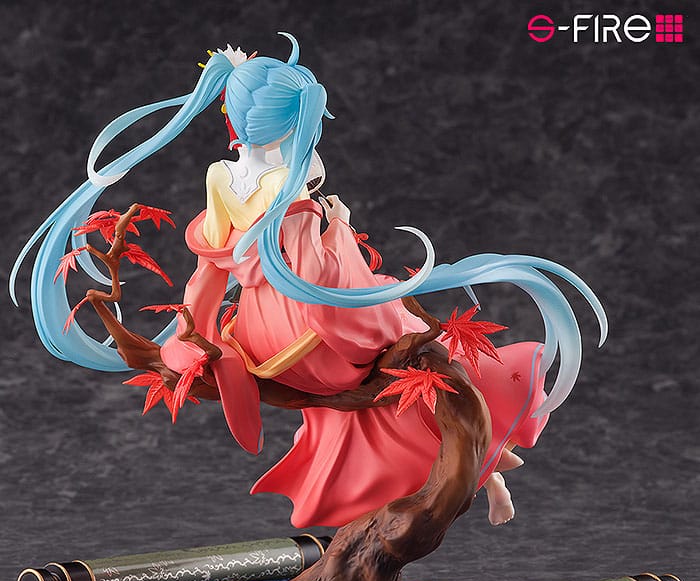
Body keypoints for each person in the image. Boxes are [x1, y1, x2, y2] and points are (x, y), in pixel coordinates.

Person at [10, 35, 607, 528]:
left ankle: (486, 467)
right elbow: (317, 276)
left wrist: (192, 335)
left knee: (395, 396)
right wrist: (337, 223)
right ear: (288, 126)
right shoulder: (291, 183)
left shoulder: (220, 176)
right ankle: (490, 458)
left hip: (260, 341)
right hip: (318, 336)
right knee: (426, 346)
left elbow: (210, 265)